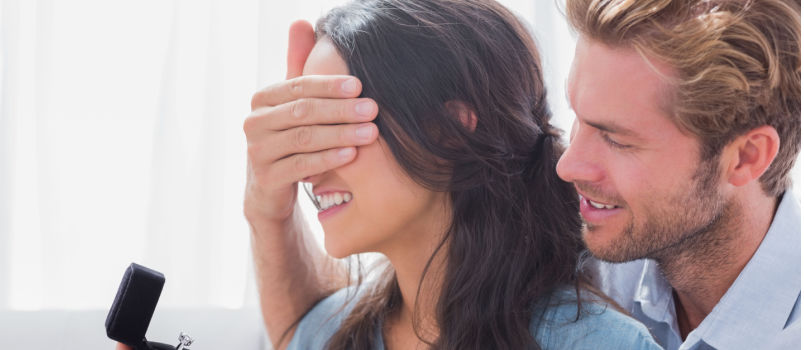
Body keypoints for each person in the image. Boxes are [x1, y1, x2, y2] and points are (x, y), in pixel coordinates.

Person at [259, 0, 660, 349]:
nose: (309, 167)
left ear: (448, 130)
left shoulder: (597, 343)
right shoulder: (323, 335)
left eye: (335, 127)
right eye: (305, 134)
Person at [558, 0, 801, 349]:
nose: (567, 166)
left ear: (746, 157)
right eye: (578, 119)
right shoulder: (583, 271)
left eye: (616, 140)